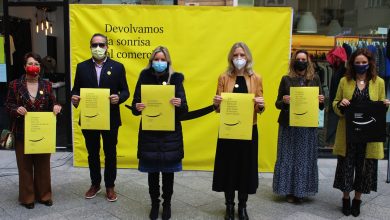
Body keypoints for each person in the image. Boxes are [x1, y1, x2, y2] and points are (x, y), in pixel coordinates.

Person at [131, 46, 188, 220]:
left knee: (168, 173)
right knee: (152, 173)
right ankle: (155, 204)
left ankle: (167, 204)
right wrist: (137, 107)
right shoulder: (144, 76)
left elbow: (185, 110)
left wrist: (179, 103)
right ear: (151, 61)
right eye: (157, 59)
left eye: (163, 60)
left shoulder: (176, 79)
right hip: (150, 133)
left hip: (170, 135)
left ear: (168, 62)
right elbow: (135, 104)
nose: (159, 63)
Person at [71, 33, 129, 202]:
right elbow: (75, 90)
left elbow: (125, 90)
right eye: (95, 45)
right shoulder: (82, 67)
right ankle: (95, 184)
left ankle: (110, 186)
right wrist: (74, 98)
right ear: (90, 47)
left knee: (110, 153)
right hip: (90, 118)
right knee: (92, 153)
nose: (98, 48)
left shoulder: (118, 67)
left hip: (110, 118)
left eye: (101, 45)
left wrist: (119, 98)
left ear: (107, 47)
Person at [332, 48, 390, 217]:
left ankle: (357, 200)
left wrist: (385, 105)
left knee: (364, 169)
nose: (361, 65)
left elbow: (380, 109)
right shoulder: (345, 81)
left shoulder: (378, 82)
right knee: (346, 166)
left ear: (370, 63)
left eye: (364, 62)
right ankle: (345, 198)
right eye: (357, 62)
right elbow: (335, 105)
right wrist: (340, 104)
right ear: (352, 64)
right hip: (349, 134)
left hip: (369, 135)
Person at [212, 42, 265, 220]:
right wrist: (216, 102)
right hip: (228, 131)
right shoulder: (223, 77)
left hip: (249, 129)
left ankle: (242, 206)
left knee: (245, 168)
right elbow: (217, 108)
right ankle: (229, 205)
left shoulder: (256, 78)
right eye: (236, 55)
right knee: (229, 167)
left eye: (242, 55)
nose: (239, 59)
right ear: (231, 58)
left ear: (248, 57)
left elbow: (260, 106)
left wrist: (261, 105)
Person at [5, 52, 62, 209]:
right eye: (30, 63)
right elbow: (8, 105)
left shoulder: (47, 85)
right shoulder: (15, 85)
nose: (33, 66)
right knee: (24, 167)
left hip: (42, 132)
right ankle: (27, 198)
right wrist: (17, 109)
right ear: (24, 66)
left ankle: (44, 196)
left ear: (40, 67)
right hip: (22, 132)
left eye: (37, 64)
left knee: (43, 166)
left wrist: (57, 108)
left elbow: (54, 104)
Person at [273, 49, 325, 203]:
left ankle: (301, 191)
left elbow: (321, 105)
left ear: (308, 62)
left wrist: (322, 100)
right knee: (288, 157)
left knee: (304, 159)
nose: (301, 61)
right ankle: (288, 191)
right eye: (298, 58)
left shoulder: (315, 78)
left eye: (304, 59)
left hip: (307, 126)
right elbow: (277, 103)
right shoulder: (286, 79)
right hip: (288, 126)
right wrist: (284, 101)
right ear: (293, 61)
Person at [325, 47, 347, 147]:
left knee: (335, 122)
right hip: (334, 99)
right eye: (335, 57)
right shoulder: (336, 68)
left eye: (338, 57)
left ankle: (332, 143)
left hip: (339, 100)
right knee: (333, 121)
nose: (336, 59)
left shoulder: (344, 69)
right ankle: (332, 142)